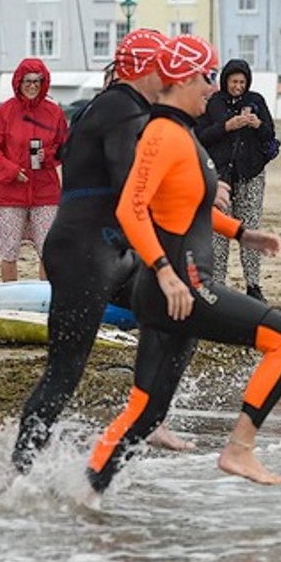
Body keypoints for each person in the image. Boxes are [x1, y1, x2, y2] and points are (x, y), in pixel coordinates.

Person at [85, 35, 281, 497]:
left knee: (144, 412)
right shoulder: (164, 134)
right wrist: (166, 272)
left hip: (173, 289)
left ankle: (83, 492)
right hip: (180, 286)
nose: (212, 86)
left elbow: (185, 206)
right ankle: (240, 447)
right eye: (206, 76)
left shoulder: (181, 132)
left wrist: (241, 233)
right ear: (183, 78)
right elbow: (132, 209)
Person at [11, 29, 169, 473]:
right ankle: (21, 468)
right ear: (143, 68)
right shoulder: (120, 108)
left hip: (110, 248)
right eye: (163, 68)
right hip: (83, 251)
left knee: (172, 310)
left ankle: (146, 416)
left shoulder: (131, 106)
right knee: (65, 370)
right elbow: (127, 185)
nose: (171, 76)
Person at [196, 56, 277, 298]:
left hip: (251, 174)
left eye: (242, 82)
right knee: (219, 233)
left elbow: (269, 134)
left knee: (250, 228)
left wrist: (257, 124)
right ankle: (217, 284)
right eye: (234, 81)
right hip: (220, 175)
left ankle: (253, 285)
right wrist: (226, 126)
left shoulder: (256, 101)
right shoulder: (213, 103)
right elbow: (200, 135)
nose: (238, 86)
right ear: (225, 81)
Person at [0, 58, 70, 282]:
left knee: (48, 252)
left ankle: (46, 299)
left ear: (44, 83)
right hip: (9, 192)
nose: (32, 85)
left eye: (37, 81)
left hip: (45, 191)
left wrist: (49, 155)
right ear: (18, 82)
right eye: (27, 81)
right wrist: (11, 171)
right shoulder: (4, 112)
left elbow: (65, 146)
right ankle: (10, 298)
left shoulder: (54, 113)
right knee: (9, 252)